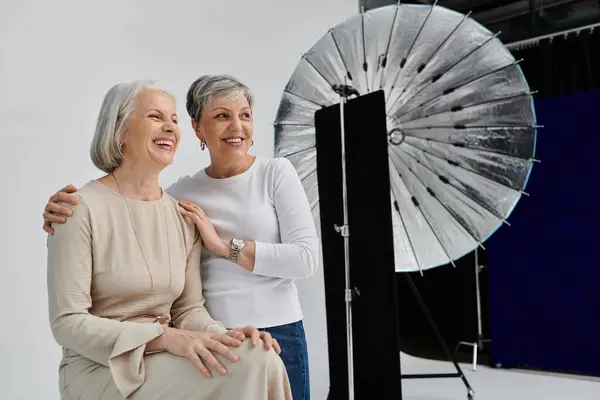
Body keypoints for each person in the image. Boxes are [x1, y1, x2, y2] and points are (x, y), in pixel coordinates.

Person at [43, 74, 320, 400]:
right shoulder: (77, 209)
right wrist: (165, 337)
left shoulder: (181, 212)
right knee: (249, 367)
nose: (170, 128)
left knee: (260, 358)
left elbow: (189, 308)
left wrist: (227, 336)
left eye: (173, 119)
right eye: (155, 117)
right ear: (119, 130)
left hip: (177, 350)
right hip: (104, 364)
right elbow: (67, 323)